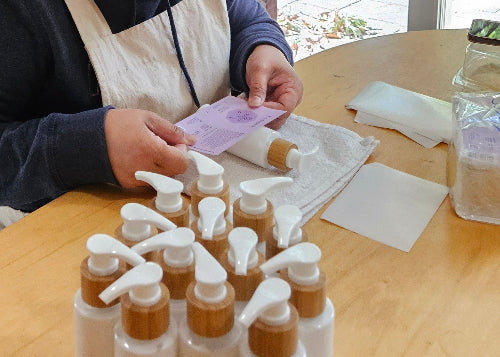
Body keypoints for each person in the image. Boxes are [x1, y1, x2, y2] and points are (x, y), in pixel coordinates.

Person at [0, 0, 303, 228]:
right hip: (86, 234)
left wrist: (263, 48)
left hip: (212, 208)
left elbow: (246, 19)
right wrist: (88, 146)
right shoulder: (22, 13)